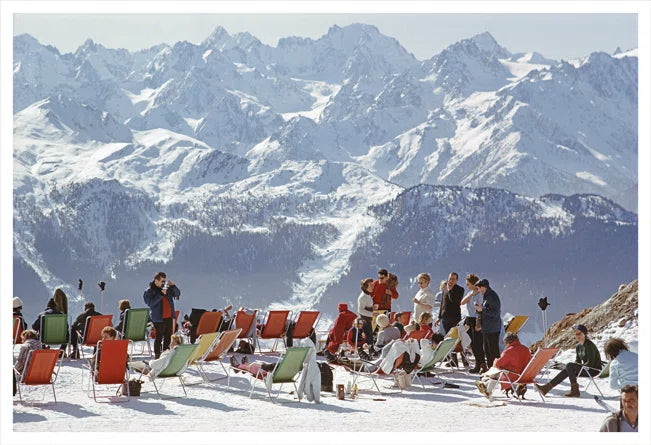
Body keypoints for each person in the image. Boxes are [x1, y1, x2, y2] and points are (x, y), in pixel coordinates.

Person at [535, 324, 602, 397]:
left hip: (593, 370)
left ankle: (575, 390)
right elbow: (578, 361)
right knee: (568, 368)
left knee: (569, 366)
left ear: (584, 334)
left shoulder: (589, 345)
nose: (577, 336)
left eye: (579, 333)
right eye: (576, 334)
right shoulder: (578, 346)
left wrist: (575, 367)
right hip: (585, 368)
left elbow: (590, 363)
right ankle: (546, 388)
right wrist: (575, 367)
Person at [475, 332, 531, 399]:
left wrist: (496, 361)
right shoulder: (525, 349)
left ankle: (487, 389)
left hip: (514, 376)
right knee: (496, 372)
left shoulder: (510, 350)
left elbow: (499, 364)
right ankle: (485, 385)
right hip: (525, 375)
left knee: (495, 372)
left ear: (507, 342)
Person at [143, 272, 180, 359]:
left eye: (165, 281)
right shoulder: (149, 291)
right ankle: (157, 355)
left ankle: (165, 355)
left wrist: (173, 286)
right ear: (156, 280)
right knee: (159, 336)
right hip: (158, 317)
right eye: (162, 281)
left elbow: (177, 294)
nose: (164, 283)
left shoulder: (166, 288)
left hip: (169, 316)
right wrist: (161, 294)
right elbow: (150, 303)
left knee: (168, 336)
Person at [460, 273, 486, 374]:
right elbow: (462, 302)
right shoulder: (470, 293)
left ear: (473, 284)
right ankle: (478, 363)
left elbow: (480, 308)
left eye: (468, 284)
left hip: (476, 319)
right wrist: (471, 294)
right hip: (469, 319)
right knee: (472, 343)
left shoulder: (479, 295)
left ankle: (481, 364)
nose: (467, 286)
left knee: (477, 343)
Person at [475, 279, 502, 369]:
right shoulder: (487, 296)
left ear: (483, 287)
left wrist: (482, 309)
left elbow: (495, 313)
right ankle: (491, 370)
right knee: (488, 351)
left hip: (492, 329)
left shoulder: (492, 297)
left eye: (478, 288)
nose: (478, 290)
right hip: (487, 328)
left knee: (493, 352)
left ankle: (496, 370)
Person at [13, 329, 43, 396]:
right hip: (41, 376)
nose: (21, 340)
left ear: (26, 337)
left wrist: (14, 369)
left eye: (22, 338)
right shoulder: (40, 347)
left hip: (27, 375)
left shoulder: (25, 346)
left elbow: (20, 363)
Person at [357, 278, 375, 345]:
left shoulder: (367, 294)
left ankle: (370, 348)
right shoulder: (363, 297)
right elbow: (360, 310)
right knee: (368, 335)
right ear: (365, 287)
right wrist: (373, 314)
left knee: (370, 335)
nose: (373, 286)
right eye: (371, 285)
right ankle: (368, 350)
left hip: (369, 319)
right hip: (365, 319)